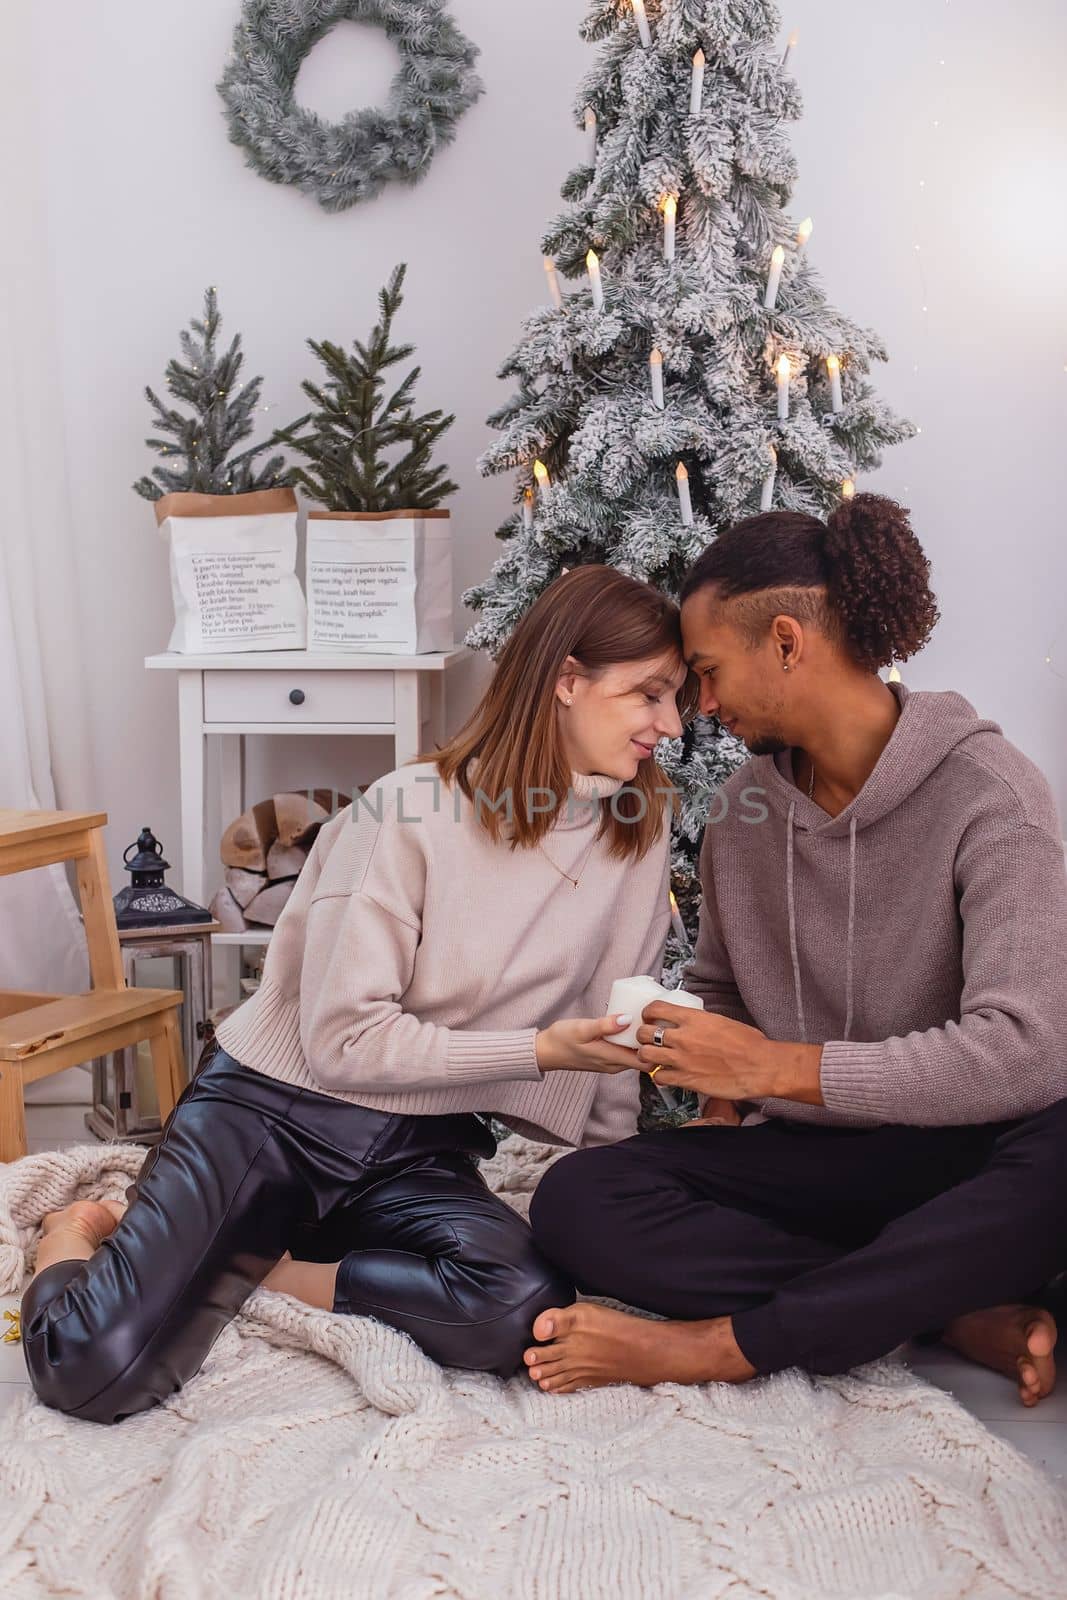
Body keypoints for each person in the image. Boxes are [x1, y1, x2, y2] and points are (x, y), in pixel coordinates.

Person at [21, 565, 697, 1424]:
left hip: (419, 1143)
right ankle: (77, 1234)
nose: (669, 725)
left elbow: (610, 1042)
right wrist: (538, 1049)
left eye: (674, 698)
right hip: (272, 1113)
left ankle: (253, 1264)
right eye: (649, 694)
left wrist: (605, 1200)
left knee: (515, 1308)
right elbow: (345, 1042)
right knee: (92, 1370)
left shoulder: (637, 830)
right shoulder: (407, 809)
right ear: (567, 680)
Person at [526, 495, 1067, 1405]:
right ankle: (935, 1301)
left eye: (705, 671)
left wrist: (778, 1071)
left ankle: (721, 1347)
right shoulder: (743, 814)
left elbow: (1025, 1050)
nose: (697, 706)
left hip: (965, 1155)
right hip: (820, 1164)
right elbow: (724, 989)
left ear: (784, 640)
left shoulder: (990, 794)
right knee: (577, 1202)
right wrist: (721, 1104)